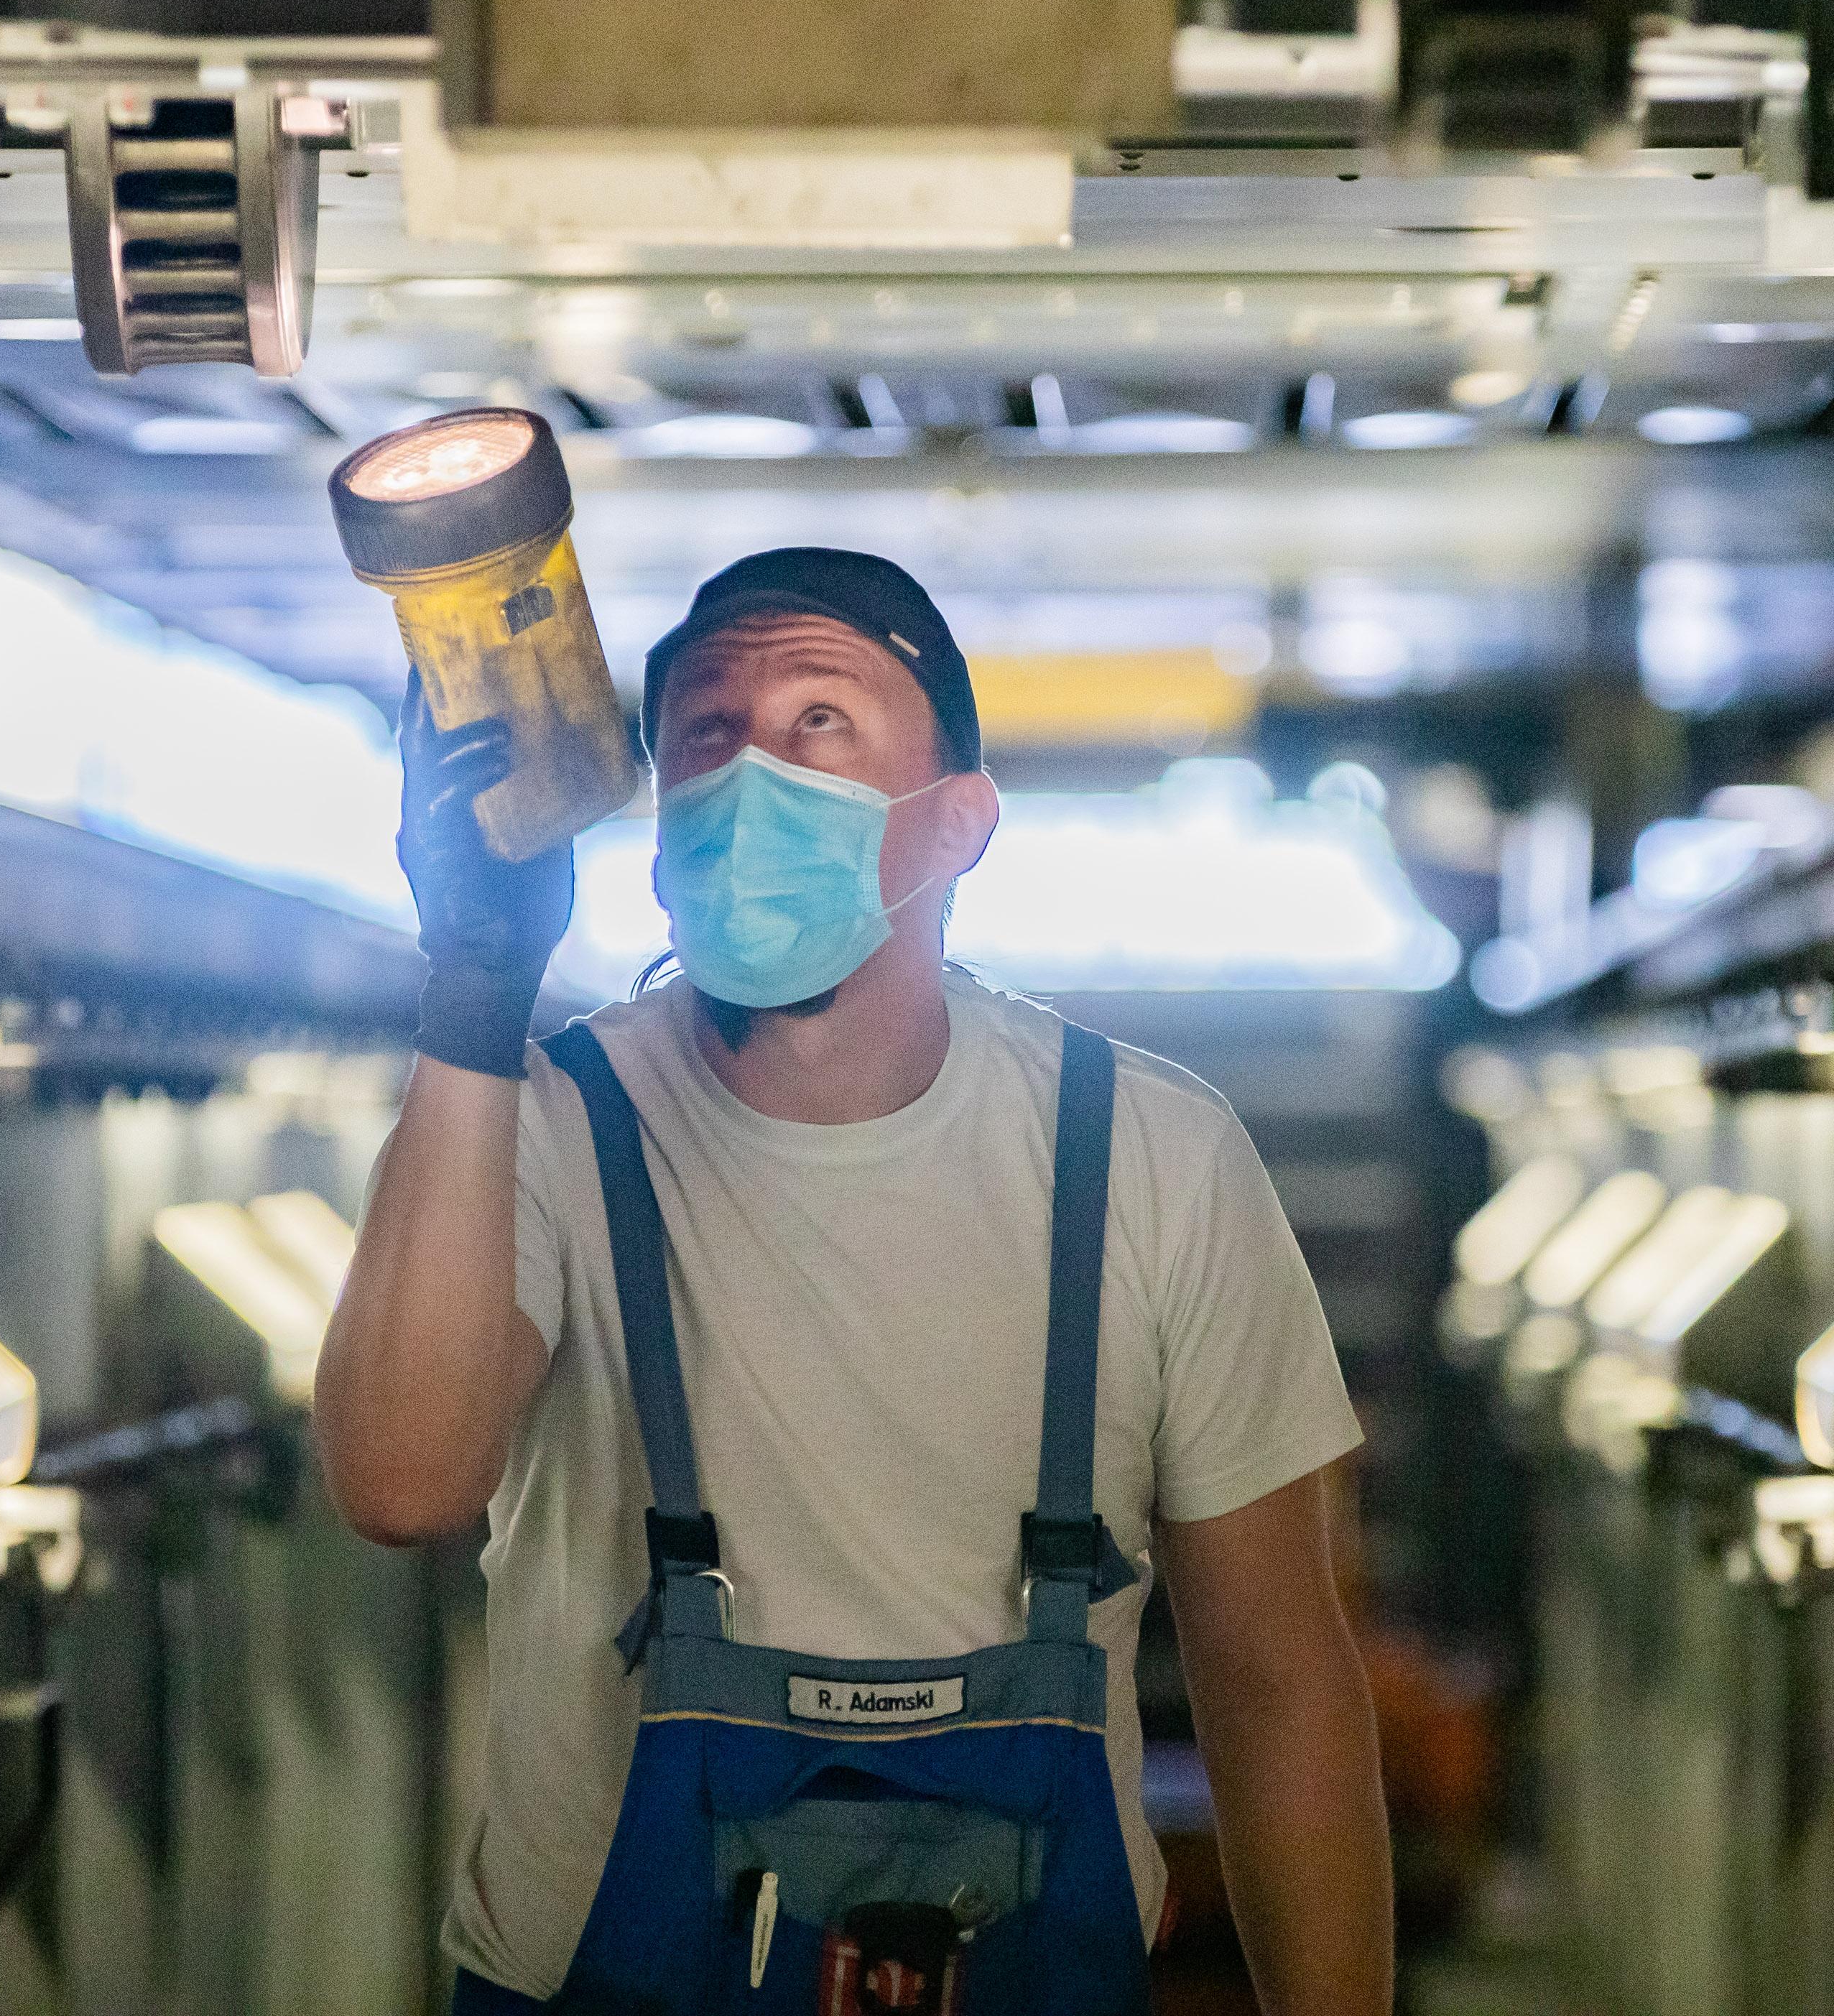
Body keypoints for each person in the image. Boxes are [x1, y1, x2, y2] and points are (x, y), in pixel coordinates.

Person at [318, 547, 1391, 2015]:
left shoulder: (1150, 1152)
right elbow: (397, 1482)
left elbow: (1279, 1679)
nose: (754, 767)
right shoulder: (541, 1120)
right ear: (655, 835)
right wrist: (472, 994)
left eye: (822, 721)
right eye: (707, 733)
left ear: (959, 826)